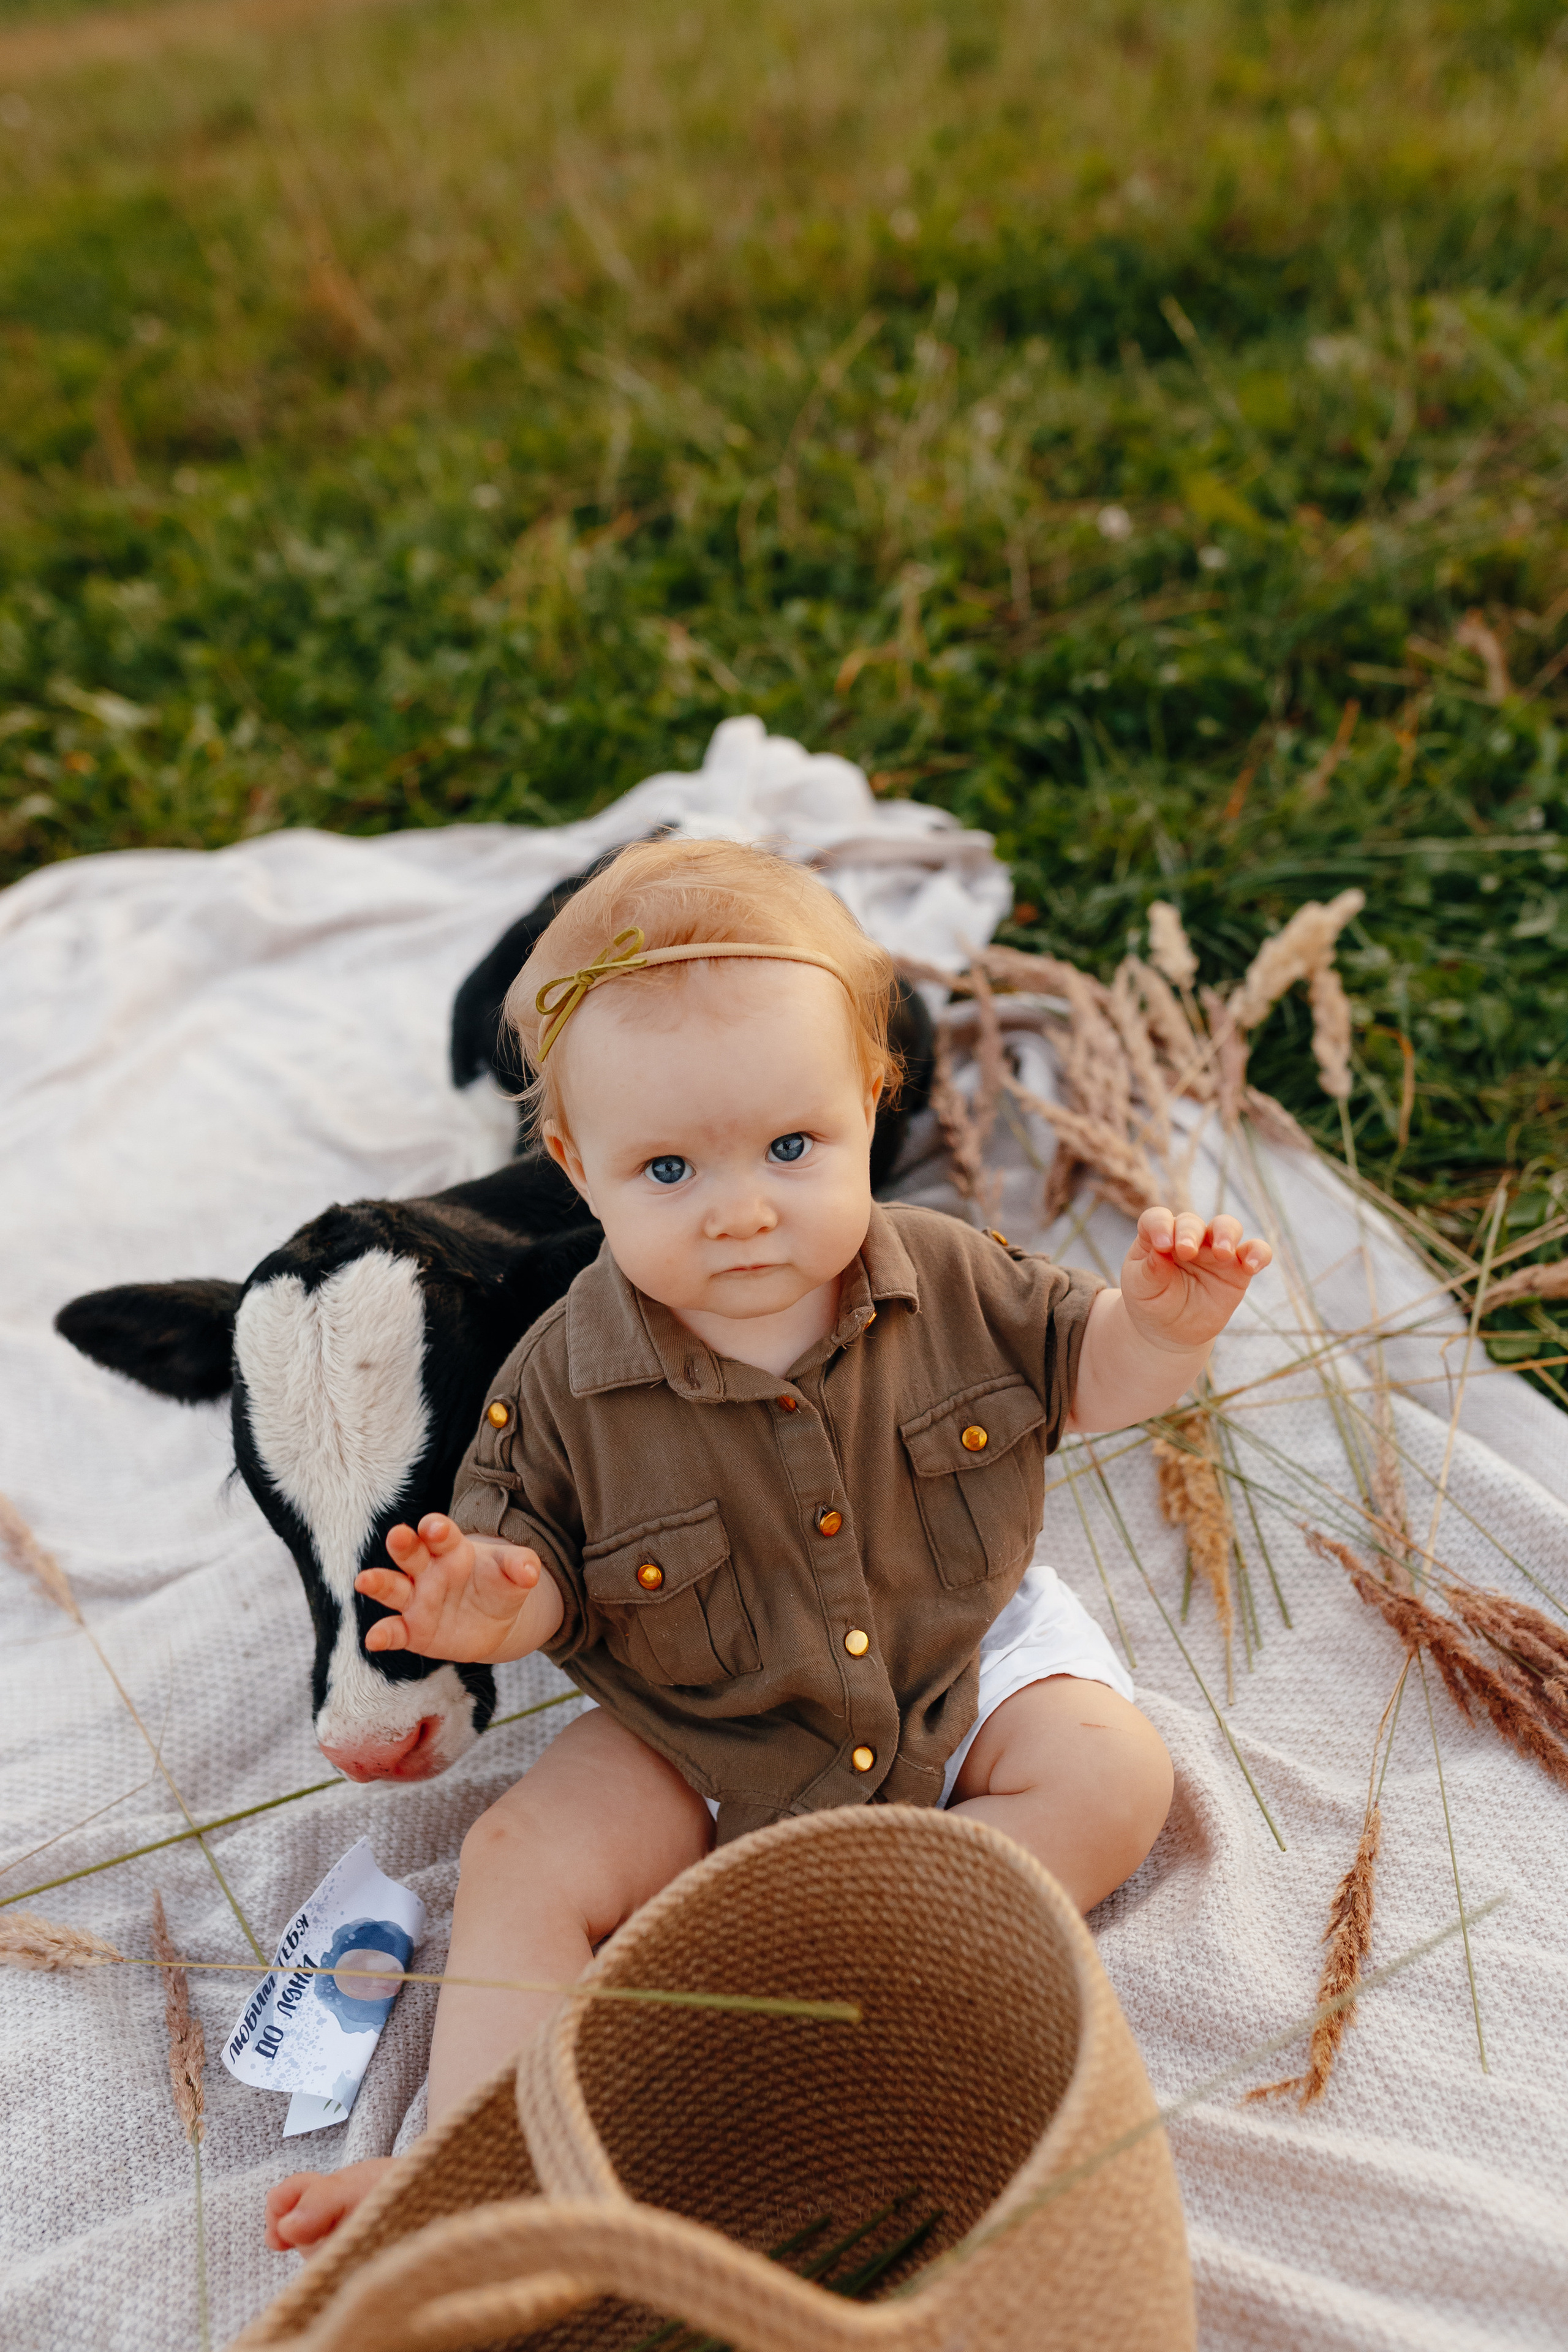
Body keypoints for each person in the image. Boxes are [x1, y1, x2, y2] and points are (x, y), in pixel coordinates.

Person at [265, 837, 1272, 2253]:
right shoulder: (559, 1378)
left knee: (1113, 1772)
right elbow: (529, 1551)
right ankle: (468, 2154)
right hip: (697, 1714)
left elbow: (1086, 1375)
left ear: (869, 1100)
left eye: (791, 1149)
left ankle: (893, 1947)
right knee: (520, 1857)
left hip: (951, 1652)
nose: (740, 1208)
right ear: (573, 1162)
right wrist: (500, 1604)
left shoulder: (957, 1278)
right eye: (667, 1167)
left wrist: (1160, 1325)